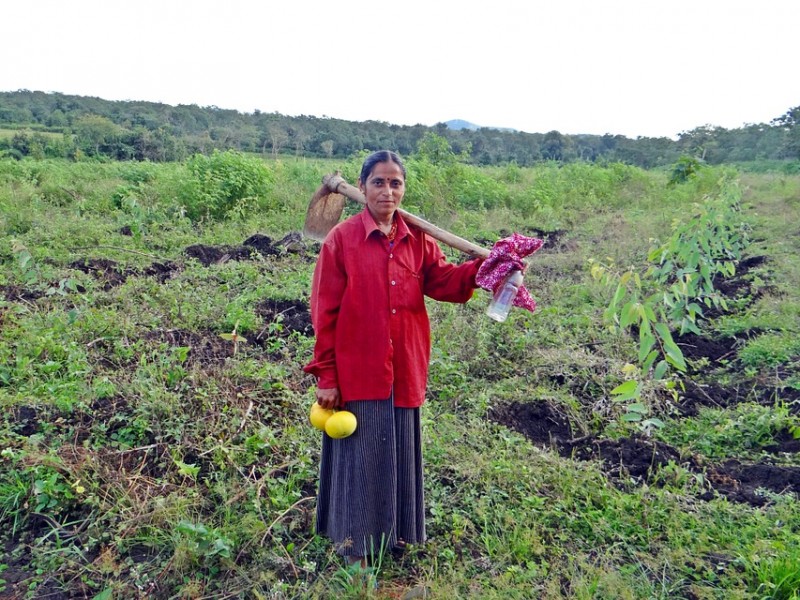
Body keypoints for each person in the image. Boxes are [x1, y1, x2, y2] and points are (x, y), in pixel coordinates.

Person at [303, 150, 484, 570]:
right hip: (358, 371)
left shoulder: (417, 238)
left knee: (397, 455)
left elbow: (442, 282)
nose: (388, 190)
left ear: (404, 188)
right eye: (379, 182)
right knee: (361, 462)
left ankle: (393, 538)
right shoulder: (342, 240)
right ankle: (356, 553)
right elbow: (324, 312)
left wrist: (481, 268)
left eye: (396, 183)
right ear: (362, 187)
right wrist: (326, 375)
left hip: (404, 367)